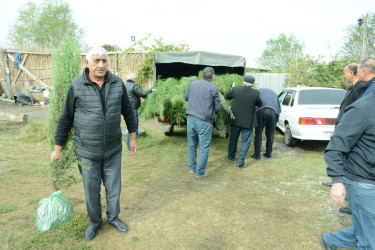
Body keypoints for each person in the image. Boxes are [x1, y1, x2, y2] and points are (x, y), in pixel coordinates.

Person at [50, 47, 137, 241]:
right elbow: (66, 118)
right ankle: (95, 222)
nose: (101, 65)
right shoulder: (77, 86)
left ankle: (113, 218)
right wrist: (58, 147)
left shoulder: (117, 83)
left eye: (104, 61)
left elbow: (128, 112)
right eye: (97, 60)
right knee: (91, 189)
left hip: (113, 148)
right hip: (87, 151)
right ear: (87, 63)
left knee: (114, 188)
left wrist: (132, 137)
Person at [319, 92, 375, 249]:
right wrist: (337, 181)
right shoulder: (362, 108)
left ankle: (331, 240)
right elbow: (335, 147)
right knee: (369, 243)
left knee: (369, 228)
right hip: (363, 182)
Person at [184, 67, 221, 179]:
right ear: (212, 77)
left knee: (192, 145)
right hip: (204, 121)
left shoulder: (193, 84)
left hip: (190, 119)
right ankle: (200, 172)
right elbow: (218, 107)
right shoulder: (214, 88)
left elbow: (186, 98)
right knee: (204, 147)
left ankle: (192, 168)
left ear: (202, 75)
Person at [225, 75, 262, 169]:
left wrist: (232, 87)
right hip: (248, 122)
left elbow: (227, 96)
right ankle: (240, 163)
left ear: (243, 82)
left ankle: (231, 156)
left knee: (233, 139)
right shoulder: (255, 93)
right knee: (245, 142)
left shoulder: (235, 90)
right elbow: (259, 103)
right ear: (252, 85)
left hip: (235, 120)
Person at [124, 73, 155, 152]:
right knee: (133, 128)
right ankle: (131, 148)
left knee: (130, 127)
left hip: (126, 109)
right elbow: (143, 94)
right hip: (132, 109)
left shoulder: (124, 85)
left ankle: (129, 147)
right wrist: (151, 90)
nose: (136, 80)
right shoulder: (134, 86)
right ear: (134, 79)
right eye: (136, 79)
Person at [250, 88, 280, 160]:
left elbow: (253, 104)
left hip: (261, 110)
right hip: (274, 111)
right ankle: (268, 153)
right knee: (270, 134)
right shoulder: (274, 93)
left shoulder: (258, 91)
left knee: (259, 133)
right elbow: (279, 107)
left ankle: (257, 155)